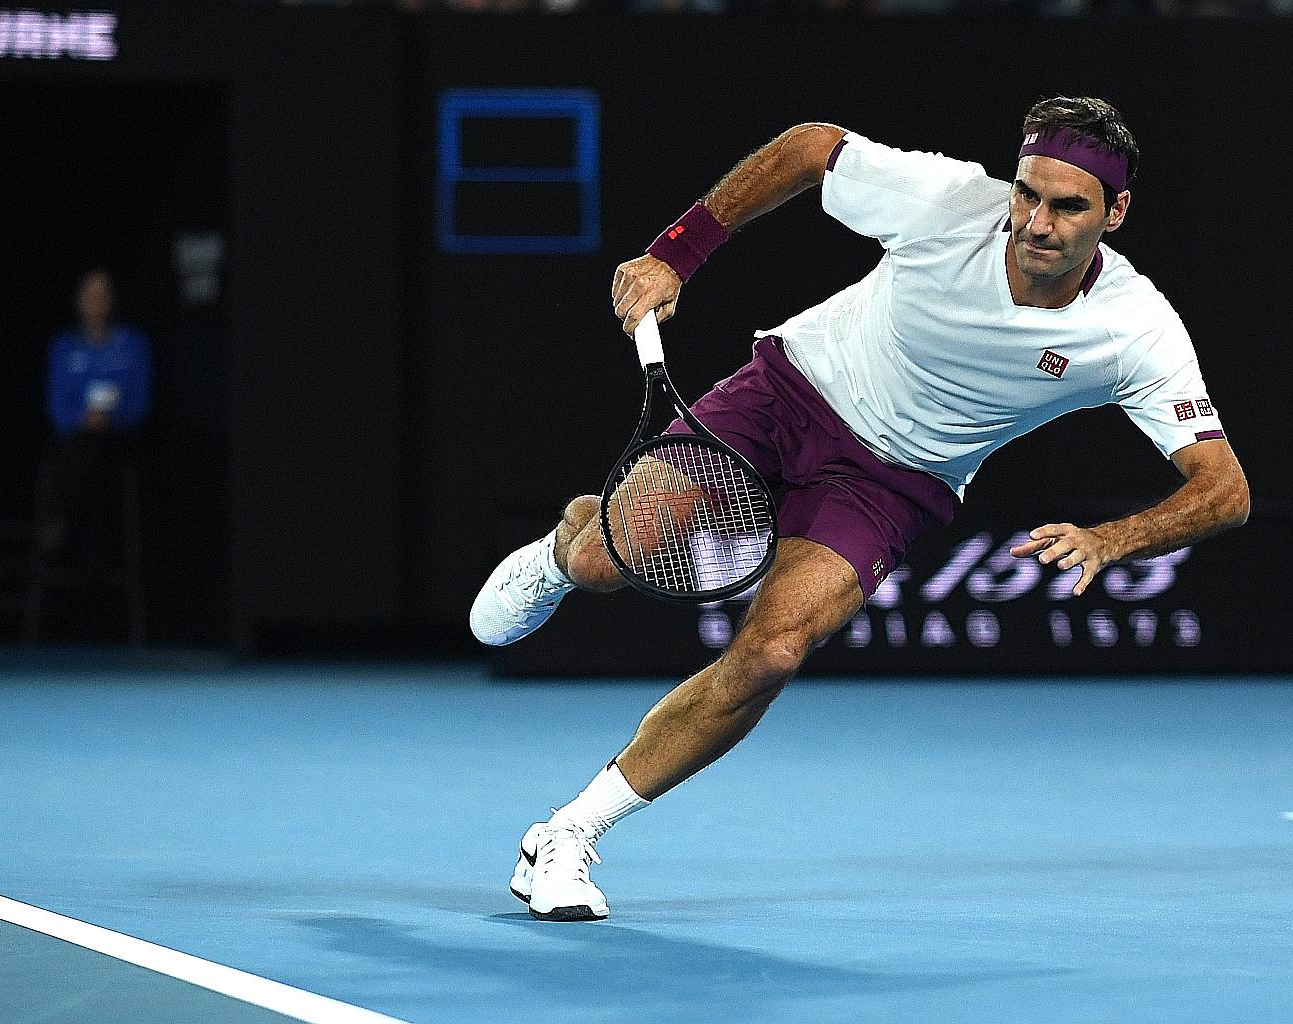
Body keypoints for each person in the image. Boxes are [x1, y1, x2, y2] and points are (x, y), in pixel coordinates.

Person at [470, 97, 1250, 922]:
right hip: (794, 388)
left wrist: (1112, 539)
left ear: (1116, 213)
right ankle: (566, 547)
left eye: (1068, 206)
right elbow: (810, 147)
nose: (1035, 222)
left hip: (893, 483)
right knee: (603, 562)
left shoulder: (1134, 327)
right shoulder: (947, 203)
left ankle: (568, 833)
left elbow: (1224, 489)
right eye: (1027, 194)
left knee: (772, 652)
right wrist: (676, 254)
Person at [38, 267, 153, 562]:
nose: (96, 303)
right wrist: (84, 419)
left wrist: (110, 419)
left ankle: (67, 531)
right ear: (78, 302)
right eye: (90, 296)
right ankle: (89, 554)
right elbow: (58, 409)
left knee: (97, 454)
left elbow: (139, 403)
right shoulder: (64, 348)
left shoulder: (133, 345)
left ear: (112, 301)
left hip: (121, 439)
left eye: (102, 295)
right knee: (82, 450)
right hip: (76, 439)